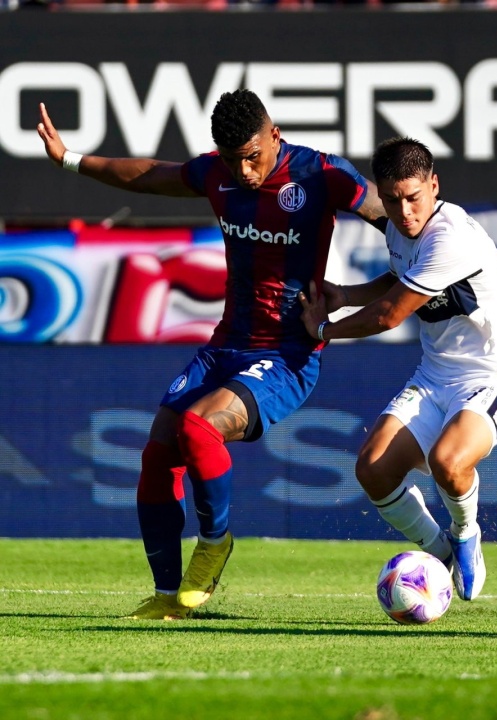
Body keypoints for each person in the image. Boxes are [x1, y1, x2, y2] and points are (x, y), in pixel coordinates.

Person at [37, 89, 387, 619]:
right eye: (232, 160)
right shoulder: (216, 175)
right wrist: (70, 159)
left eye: (253, 156)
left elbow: (402, 219)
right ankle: (166, 596)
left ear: (274, 134)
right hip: (225, 345)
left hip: (289, 353)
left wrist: (459, 267)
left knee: (199, 428)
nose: (245, 171)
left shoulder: (320, 174)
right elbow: (151, 173)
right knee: (158, 451)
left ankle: (216, 541)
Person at [298, 137, 497, 601]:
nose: (404, 212)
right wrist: (345, 294)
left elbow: (390, 314)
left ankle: (465, 535)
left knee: (448, 462)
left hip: (493, 375)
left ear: (434, 185)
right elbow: (399, 277)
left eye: (413, 197)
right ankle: (437, 550)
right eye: (392, 199)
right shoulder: (399, 229)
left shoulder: (450, 236)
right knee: (372, 471)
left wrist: (322, 329)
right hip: (434, 376)